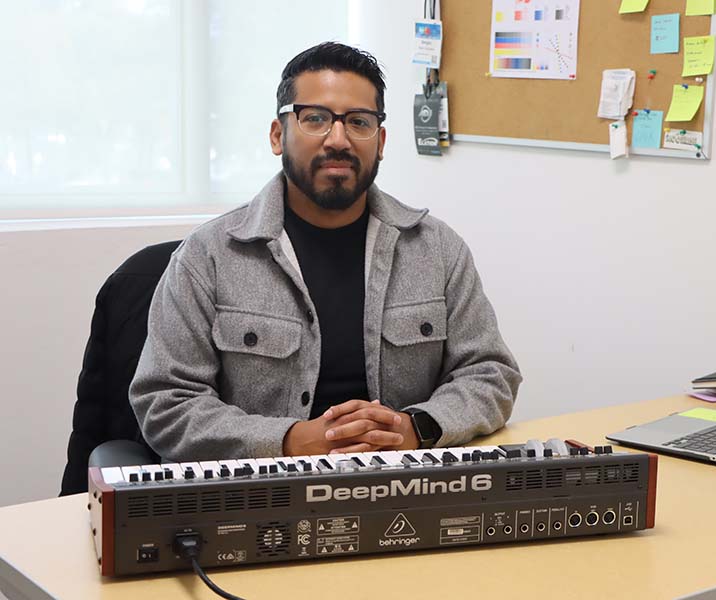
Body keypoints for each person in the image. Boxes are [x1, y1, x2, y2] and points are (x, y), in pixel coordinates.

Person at [130, 42, 521, 461]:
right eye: (315, 118)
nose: (338, 139)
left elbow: (490, 373)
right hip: (261, 498)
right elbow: (166, 403)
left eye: (358, 122)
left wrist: (413, 428)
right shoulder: (208, 257)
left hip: (404, 488)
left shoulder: (436, 249)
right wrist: (290, 441)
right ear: (278, 135)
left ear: (381, 140)